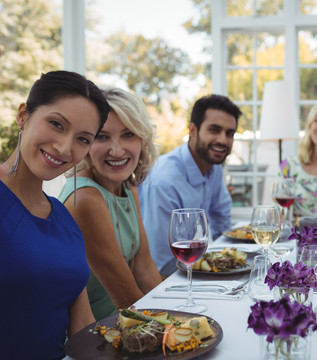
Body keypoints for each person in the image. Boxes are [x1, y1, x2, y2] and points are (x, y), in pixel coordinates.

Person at [0, 70, 110, 359]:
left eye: (83, 139)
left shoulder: (63, 218)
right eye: (56, 124)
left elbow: (84, 329)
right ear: (23, 115)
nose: (65, 148)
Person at [58, 87, 163, 320]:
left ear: (142, 140)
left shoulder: (127, 186)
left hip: (124, 322)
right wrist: (182, 328)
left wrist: (184, 312)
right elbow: (127, 300)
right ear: (84, 142)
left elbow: (144, 268)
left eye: (128, 134)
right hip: (94, 336)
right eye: (102, 137)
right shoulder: (85, 198)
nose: (116, 151)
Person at [138, 94, 242, 275]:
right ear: (193, 130)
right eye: (214, 130)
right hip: (162, 282)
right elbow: (160, 262)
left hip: (191, 270)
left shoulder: (213, 166)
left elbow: (222, 221)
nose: (223, 140)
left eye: (229, 133)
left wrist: (228, 264)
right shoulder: (164, 181)